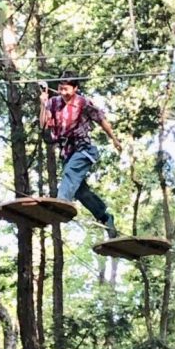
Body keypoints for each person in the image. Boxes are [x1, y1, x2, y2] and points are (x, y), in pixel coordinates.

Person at [39, 74, 122, 237]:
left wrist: (114, 139)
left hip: (83, 149)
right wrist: (43, 104)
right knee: (80, 192)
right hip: (67, 153)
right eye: (61, 88)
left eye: (67, 89)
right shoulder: (53, 103)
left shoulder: (83, 103)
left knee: (69, 173)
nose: (63, 92)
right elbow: (43, 124)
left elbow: (100, 119)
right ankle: (104, 217)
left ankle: (61, 203)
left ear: (75, 88)